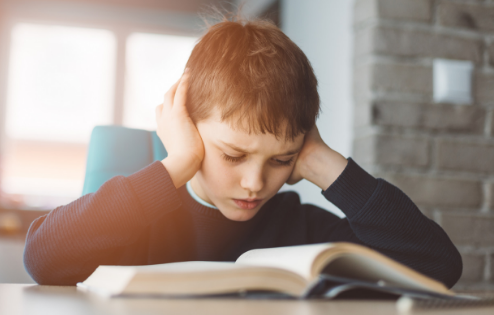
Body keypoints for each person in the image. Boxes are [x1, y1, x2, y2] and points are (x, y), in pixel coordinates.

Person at [23, 16, 462, 287]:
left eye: (281, 159)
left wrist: (321, 162)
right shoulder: (135, 223)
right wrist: (176, 164)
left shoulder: (300, 229)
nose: (255, 183)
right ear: (188, 129)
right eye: (233, 155)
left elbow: (437, 265)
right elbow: (44, 258)